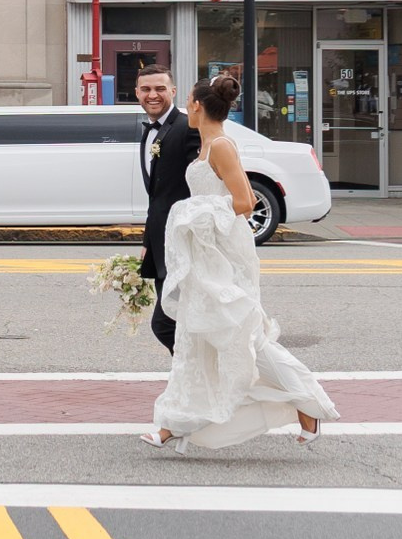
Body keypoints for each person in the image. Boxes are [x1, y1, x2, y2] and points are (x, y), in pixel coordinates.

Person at [144, 71, 338, 452]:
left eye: (188, 101)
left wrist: (192, 210)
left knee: (242, 336)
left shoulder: (221, 147)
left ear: (197, 106)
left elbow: (245, 202)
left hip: (222, 260)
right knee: (198, 337)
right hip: (204, 254)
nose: (186, 107)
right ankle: (174, 423)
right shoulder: (206, 145)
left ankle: (306, 402)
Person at [134, 64, 198, 354]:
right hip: (162, 244)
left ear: (173, 91)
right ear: (137, 93)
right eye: (146, 89)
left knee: (166, 323)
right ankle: (192, 381)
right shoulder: (149, 132)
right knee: (177, 322)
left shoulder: (188, 129)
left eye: (160, 88)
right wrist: (148, 241)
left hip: (185, 244)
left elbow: (201, 185)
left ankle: (202, 373)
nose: (153, 95)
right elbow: (157, 197)